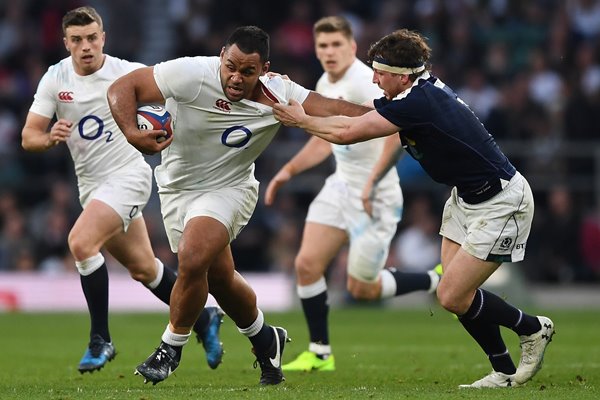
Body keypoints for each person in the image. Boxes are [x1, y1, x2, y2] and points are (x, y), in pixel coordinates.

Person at [272, 28, 555, 388]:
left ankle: (532, 328)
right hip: (466, 197)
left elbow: (346, 132)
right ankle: (503, 370)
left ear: (402, 75)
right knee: (457, 298)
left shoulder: (417, 103)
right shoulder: (415, 93)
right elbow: (348, 113)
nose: (373, 78)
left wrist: (301, 121)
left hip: (501, 201)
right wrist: (294, 94)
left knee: (451, 295)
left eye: (380, 72)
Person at [106, 25, 371, 386]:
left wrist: (396, 116)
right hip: (175, 189)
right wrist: (132, 134)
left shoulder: (280, 93)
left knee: (193, 256)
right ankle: (266, 339)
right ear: (221, 56)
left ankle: (171, 347)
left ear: (264, 70)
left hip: (229, 189)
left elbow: (334, 109)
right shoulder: (191, 73)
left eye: (247, 71)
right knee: (219, 278)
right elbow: (122, 88)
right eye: (230, 66)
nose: (235, 77)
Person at [21, 6, 224, 374]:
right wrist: (49, 137)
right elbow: (28, 136)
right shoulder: (56, 79)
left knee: (81, 242)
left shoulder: (128, 74)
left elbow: (175, 102)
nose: (86, 46)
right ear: (66, 43)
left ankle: (101, 339)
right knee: (145, 269)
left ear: (103, 38)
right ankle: (206, 317)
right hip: (92, 186)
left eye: (92, 37)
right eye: (78, 40)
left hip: (128, 177)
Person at [265, 16, 440, 372]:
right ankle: (319, 351)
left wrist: (371, 182)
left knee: (363, 289)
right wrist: (287, 171)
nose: (329, 52)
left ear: (352, 47)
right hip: (341, 186)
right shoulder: (322, 83)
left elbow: (395, 134)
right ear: (315, 50)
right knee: (307, 265)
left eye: (335, 45)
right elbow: (323, 139)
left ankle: (436, 279)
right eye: (322, 46)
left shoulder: (367, 81)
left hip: (374, 195)